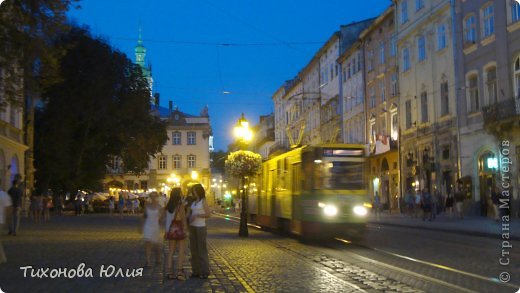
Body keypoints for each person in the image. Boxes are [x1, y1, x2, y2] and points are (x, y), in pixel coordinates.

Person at [188, 183, 211, 279]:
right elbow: (190, 212)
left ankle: (204, 271)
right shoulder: (194, 201)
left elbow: (208, 214)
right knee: (193, 250)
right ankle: (195, 270)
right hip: (192, 226)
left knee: (201, 249)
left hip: (201, 226)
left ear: (199, 191)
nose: (194, 193)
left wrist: (197, 215)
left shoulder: (203, 201)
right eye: (193, 191)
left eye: (195, 191)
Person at [165, 188, 188, 280]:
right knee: (181, 251)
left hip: (171, 229)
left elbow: (167, 220)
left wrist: (167, 231)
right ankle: (179, 271)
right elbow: (183, 218)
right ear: (179, 194)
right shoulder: (180, 205)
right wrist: (185, 229)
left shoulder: (168, 205)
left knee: (171, 251)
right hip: (179, 228)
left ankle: (170, 272)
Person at [142, 192, 164, 267]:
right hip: (148, 226)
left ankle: (158, 258)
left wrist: (160, 221)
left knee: (157, 245)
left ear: (157, 197)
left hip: (155, 226)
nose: (153, 198)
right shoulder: (147, 206)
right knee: (148, 243)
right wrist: (140, 226)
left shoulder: (159, 206)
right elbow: (144, 216)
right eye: (152, 196)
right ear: (150, 197)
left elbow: (162, 216)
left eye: (155, 196)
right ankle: (148, 261)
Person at [0, 180, 12, 264]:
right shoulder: (4, 195)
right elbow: (8, 210)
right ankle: (2, 257)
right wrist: (8, 221)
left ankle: (2, 257)